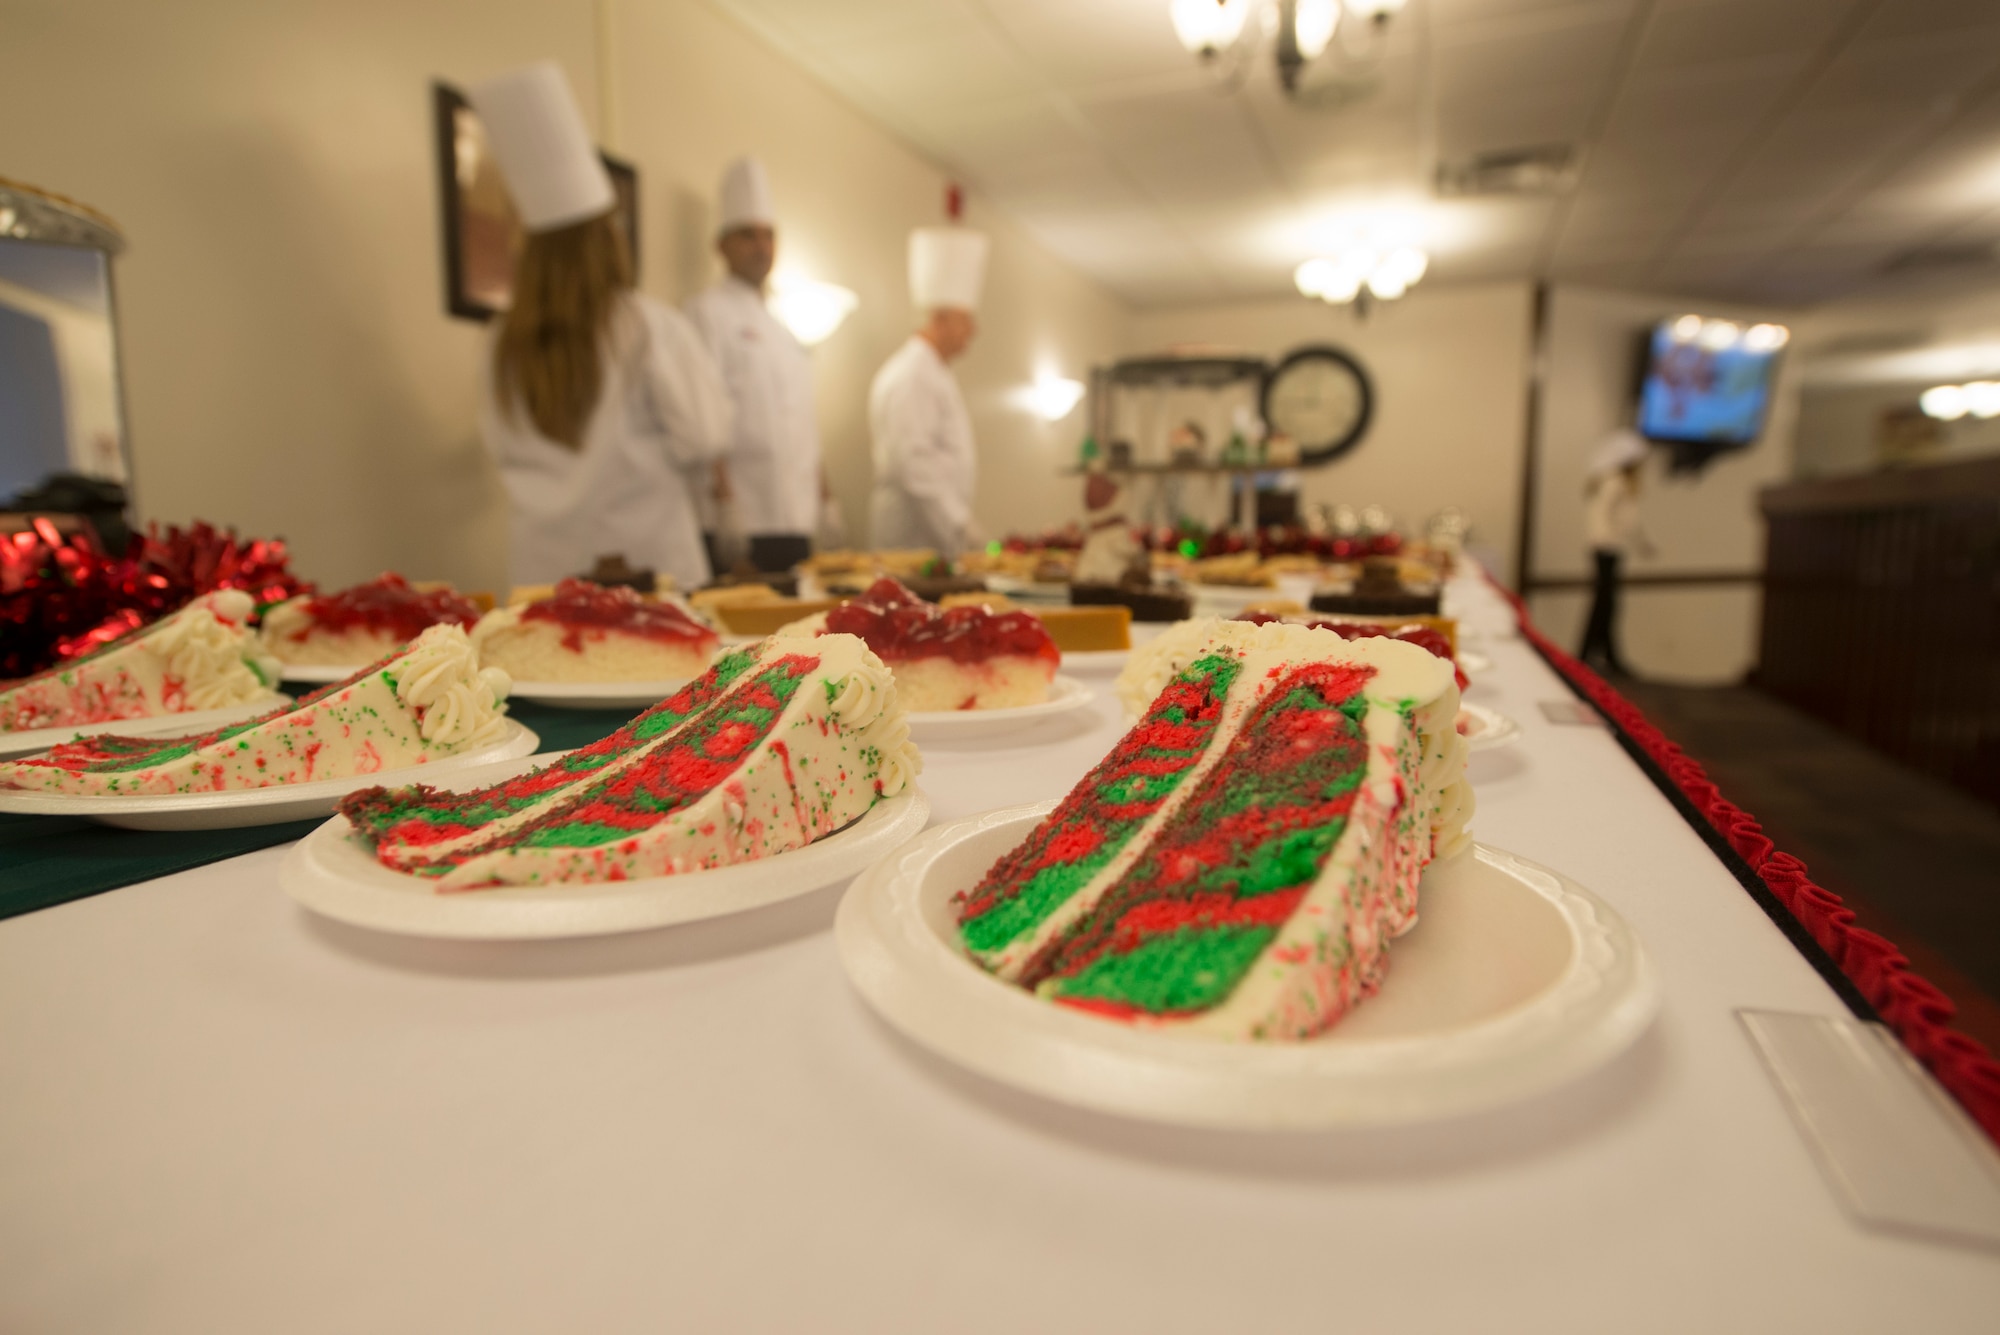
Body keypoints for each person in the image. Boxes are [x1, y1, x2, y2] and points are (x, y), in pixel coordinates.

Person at [469, 62, 732, 592]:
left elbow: (498, 448)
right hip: (650, 573)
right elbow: (707, 436)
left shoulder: (500, 341)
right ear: (608, 240)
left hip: (544, 578)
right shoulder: (648, 325)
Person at [684, 158, 826, 575]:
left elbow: (804, 423)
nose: (761, 246)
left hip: (793, 518)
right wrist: (725, 504)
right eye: (748, 235)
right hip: (741, 520)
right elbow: (702, 412)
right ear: (721, 245)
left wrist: (826, 499)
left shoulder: (784, 326)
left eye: (768, 235)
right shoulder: (704, 313)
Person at [868, 225, 988, 556]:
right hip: (911, 544)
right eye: (966, 319)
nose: (973, 331)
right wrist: (959, 525)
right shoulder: (913, 376)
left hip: (933, 542)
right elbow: (914, 464)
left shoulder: (935, 373)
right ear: (940, 318)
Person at [1577, 424, 1652, 675]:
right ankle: (1589, 654)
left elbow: (1628, 520)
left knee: (1608, 602)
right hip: (1606, 547)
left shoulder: (1615, 482)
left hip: (1611, 546)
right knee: (1604, 602)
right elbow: (1602, 514)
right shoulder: (1615, 482)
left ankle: (1604, 653)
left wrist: (1642, 542)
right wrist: (1602, 540)